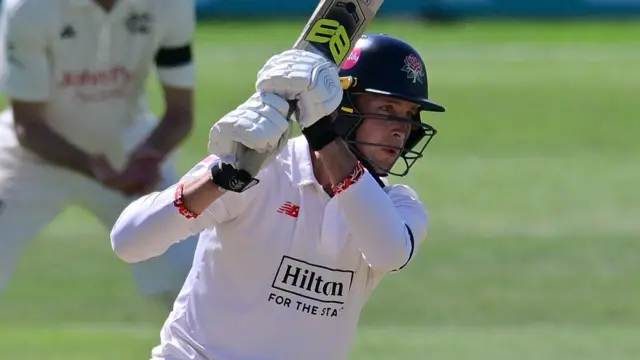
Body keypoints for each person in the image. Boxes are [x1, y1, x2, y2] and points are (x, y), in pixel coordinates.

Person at [110, 33, 446, 360]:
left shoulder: (398, 206)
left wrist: (321, 133)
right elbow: (129, 241)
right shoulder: (263, 167)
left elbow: (387, 251)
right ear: (340, 107)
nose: (401, 128)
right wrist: (222, 177)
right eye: (387, 109)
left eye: (408, 115)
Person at [0, 0, 200, 307]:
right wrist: (93, 167)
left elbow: (180, 113)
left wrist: (150, 156)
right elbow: (29, 126)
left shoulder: (170, 4)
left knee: (194, 277)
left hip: (129, 151)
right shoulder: (29, 8)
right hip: (29, 159)